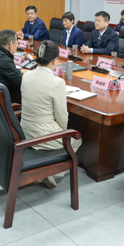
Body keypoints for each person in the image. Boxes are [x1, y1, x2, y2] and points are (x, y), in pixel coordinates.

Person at [20, 41, 82, 188]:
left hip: (24, 130)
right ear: (55, 60)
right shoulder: (57, 82)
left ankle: (47, 172)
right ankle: (49, 172)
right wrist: (63, 132)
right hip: (43, 134)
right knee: (76, 139)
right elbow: (62, 116)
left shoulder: (26, 76)